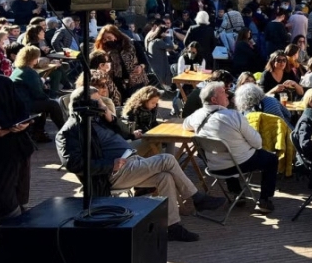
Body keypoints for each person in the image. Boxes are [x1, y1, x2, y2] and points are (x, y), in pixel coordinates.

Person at [58, 92, 225, 241]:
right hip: (113, 174)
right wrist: (110, 165)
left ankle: (173, 227)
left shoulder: (98, 120)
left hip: (131, 163)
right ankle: (197, 198)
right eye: (97, 102)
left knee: (165, 177)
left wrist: (111, 118)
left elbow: (126, 133)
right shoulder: (70, 131)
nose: (101, 104)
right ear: (85, 105)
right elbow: (73, 164)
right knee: (167, 159)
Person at [184, 82, 278, 213]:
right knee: (271, 159)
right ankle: (264, 201)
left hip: (215, 166)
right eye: (223, 92)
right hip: (239, 164)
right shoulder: (234, 116)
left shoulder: (197, 115)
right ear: (214, 99)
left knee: (228, 154)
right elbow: (257, 143)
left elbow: (185, 125)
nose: (227, 94)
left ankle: (236, 193)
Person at [0, 74, 35, 221]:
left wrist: (24, 123)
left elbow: (21, 109)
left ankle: (17, 233)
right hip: (1, 153)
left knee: (19, 200)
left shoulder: (3, 81)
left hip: (17, 147)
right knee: (5, 202)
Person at [10, 46, 65, 143]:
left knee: (45, 105)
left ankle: (38, 132)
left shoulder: (18, 69)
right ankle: (65, 131)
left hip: (17, 103)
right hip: (24, 104)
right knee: (53, 105)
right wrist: (48, 97)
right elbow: (38, 94)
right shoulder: (29, 72)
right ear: (33, 58)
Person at [95, 25, 148, 100]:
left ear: (116, 35)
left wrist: (141, 67)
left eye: (109, 38)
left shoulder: (132, 44)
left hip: (136, 80)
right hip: (117, 82)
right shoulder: (105, 49)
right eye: (104, 39)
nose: (107, 40)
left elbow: (144, 61)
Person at [144, 25, 173, 91]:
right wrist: (167, 37)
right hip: (160, 66)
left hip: (155, 65)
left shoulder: (152, 40)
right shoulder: (158, 41)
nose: (167, 33)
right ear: (161, 33)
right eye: (166, 32)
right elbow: (171, 46)